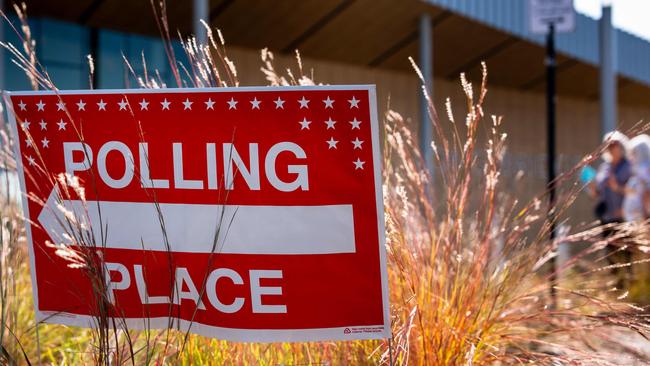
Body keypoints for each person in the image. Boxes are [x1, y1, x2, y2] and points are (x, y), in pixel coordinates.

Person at [589, 131, 632, 284]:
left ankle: (628, 285)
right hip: (606, 217)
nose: (611, 148)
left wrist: (617, 188)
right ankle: (616, 286)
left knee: (626, 253)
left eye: (614, 145)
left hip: (624, 216)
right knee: (610, 253)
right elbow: (597, 193)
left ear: (621, 146)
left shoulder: (629, 166)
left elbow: (635, 191)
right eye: (608, 146)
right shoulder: (604, 167)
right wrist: (592, 187)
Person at [623, 134, 650, 223]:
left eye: (633, 153)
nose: (631, 157)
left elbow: (646, 194)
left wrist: (645, 218)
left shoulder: (644, 169)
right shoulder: (640, 170)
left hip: (643, 222)